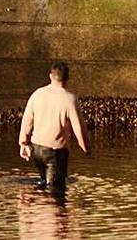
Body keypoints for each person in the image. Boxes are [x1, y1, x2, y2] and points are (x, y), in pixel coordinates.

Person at [18, 61, 89, 194]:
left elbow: (27, 120)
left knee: (45, 184)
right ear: (67, 78)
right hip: (55, 152)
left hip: (37, 149)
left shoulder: (37, 94)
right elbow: (79, 129)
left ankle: (38, 211)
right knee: (55, 191)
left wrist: (24, 143)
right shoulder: (69, 99)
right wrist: (86, 148)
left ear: (51, 76)